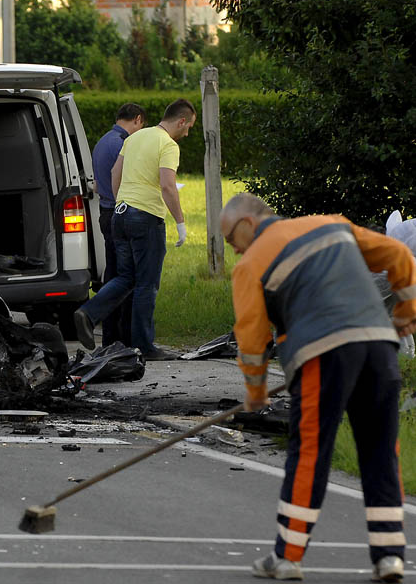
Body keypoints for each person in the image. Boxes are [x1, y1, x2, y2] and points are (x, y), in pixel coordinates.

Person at [219, 193, 416, 582]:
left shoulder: (251, 264)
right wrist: (407, 313)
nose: (234, 250)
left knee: (310, 451)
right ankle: (390, 556)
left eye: (231, 240)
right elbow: (398, 255)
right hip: (379, 347)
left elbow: (251, 337)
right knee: (380, 450)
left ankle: (288, 557)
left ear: (247, 225)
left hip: (322, 356)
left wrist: (255, 393)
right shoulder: (331, 224)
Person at [73, 99, 196, 359]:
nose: (187, 133)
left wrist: (122, 202)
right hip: (146, 217)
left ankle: (89, 312)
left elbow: (115, 173)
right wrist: (181, 222)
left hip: (120, 214)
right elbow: (167, 186)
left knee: (125, 277)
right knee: (146, 284)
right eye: (189, 127)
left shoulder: (135, 138)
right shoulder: (168, 145)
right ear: (181, 121)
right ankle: (145, 346)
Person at [92, 103, 146, 348]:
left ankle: (109, 336)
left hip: (104, 211)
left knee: (112, 274)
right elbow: (127, 179)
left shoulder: (103, 141)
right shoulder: (123, 144)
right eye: (141, 126)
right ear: (137, 120)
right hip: (118, 212)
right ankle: (124, 337)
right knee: (126, 278)